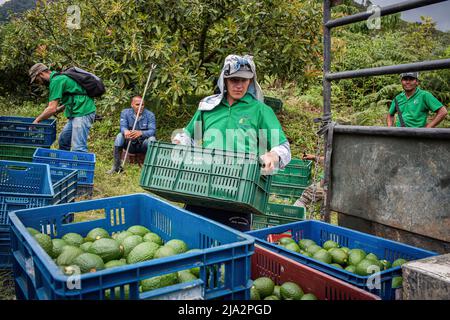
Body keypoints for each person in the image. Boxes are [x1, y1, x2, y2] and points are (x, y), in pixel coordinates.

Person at [172, 54, 291, 231]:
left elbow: (283, 147)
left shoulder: (260, 110)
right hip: (204, 185)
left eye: (244, 80)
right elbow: (189, 136)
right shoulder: (208, 108)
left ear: (251, 82)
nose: (239, 85)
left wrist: (272, 155)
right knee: (192, 236)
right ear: (224, 80)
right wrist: (180, 141)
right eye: (234, 79)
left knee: (235, 246)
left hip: (240, 191)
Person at [29, 63, 96, 152]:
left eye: (37, 80)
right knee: (63, 141)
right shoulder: (60, 77)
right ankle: (64, 165)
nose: (39, 83)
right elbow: (74, 94)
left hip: (82, 112)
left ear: (41, 74)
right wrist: (60, 108)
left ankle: (78, 165)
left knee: (78, 148)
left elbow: (51, 108)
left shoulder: (56, 80)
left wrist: (37, 120)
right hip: (76, 112)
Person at [108, 95, 156, 173]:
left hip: (142, 144)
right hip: (129, 144)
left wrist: (141, 133)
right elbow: (123, 126)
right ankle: (116, 166)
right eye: (137, 104)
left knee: (152, 139)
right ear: (132, 105)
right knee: (119, 136)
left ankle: (150, 168)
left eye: (142, 105)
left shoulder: (150, 115)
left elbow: (152, 131)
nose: (140, 107)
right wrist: (125, 131)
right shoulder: (125, 112)